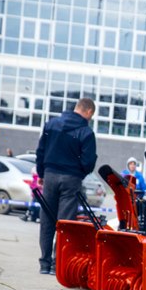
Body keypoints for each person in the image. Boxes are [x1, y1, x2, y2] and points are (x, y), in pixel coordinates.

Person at [36, 97, 97, 274]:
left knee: (47, 220)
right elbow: (88, 161)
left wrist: (42, 173)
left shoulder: (51, 125)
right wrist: (79, 174)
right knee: (65, 224)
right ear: (89, 112)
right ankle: (57, 264)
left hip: (50, 176)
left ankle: (44, 264)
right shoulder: (86, 132)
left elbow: (41, 151)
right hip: (71, 179)